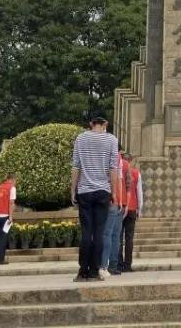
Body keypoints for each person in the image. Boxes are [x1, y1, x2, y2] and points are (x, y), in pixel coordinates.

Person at [70, 112, 120, 282]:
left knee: (86, 232)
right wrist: (114, 192)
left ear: (91, 123)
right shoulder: (112, 140)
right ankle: (95, 270)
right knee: (99, 232)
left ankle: (83, 270)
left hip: (84, 191)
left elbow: (76, 167)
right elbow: (113, 169)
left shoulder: (80, 139)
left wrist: (73, 190)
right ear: (104, 123)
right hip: (102, 191)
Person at [100, 150, 131, 277]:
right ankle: (113, 265)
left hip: (109, 200)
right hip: (121, 203)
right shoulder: (125, 163)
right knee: (116, 236)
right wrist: (126, 204)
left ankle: (103, 265)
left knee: (106, 233)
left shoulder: (104, 161)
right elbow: (129, 185)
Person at [120, 154, 142, 272]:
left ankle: (118, 264)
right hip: (132, 208)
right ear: (131, 161)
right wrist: (140, 209)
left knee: (118, 237)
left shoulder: (118, 170)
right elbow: (139, 193)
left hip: (120, 206)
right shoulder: (135, 173)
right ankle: (127, 265)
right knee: (129, 238)